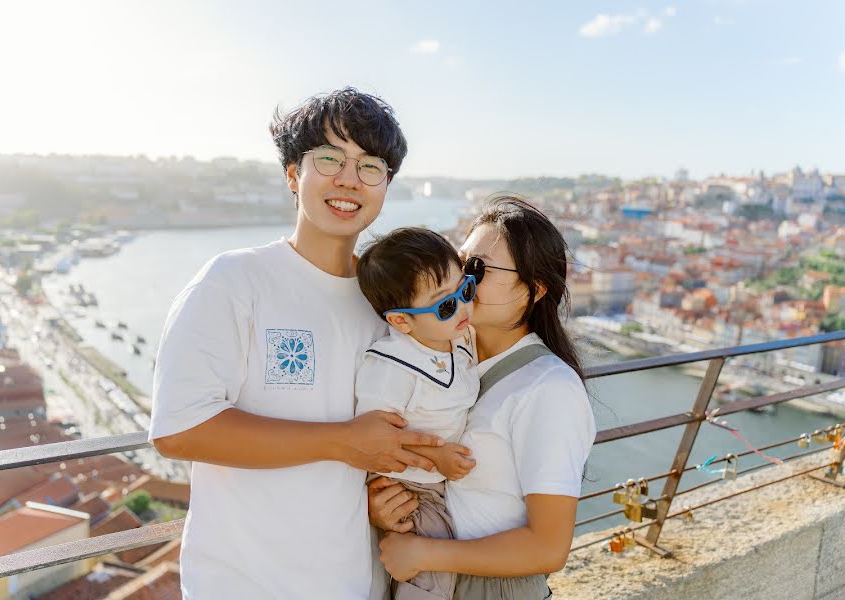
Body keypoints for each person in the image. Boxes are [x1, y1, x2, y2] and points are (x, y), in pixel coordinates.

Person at [148, 88, 446, 599]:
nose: (349, 179)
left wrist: (375, 499)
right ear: (293, 174)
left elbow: (381, 440)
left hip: (354, 582)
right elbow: (178, 430)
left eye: (370, 165)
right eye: (329, 158)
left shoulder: (386, 307)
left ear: (386, 185)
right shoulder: (234, 281)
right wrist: (339, 440)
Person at [370, 197, 596, 600]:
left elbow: (548, 548)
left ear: (535, 289)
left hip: (492, 587)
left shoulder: (548, 388)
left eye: (478, 269)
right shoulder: (447, 357)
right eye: (460, 261)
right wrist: (386, 504)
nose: (459, 280)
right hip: (439, 573)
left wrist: (425, 551)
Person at [356, 227, 481, 600]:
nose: (462, 307)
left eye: (466, 290)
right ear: (400, 321)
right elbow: (376, 442)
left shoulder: (458, 340)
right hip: (410, 488)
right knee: (430, 582)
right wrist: (435, 457)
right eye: (446, 304)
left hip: (440, 484)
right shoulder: (393, 367)